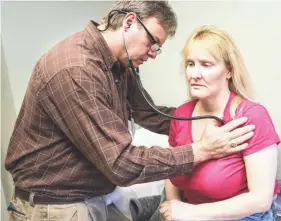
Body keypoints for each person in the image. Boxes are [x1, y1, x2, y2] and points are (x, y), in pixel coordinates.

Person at [5, 2, 255, 221]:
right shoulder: (76, 69)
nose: (153, 54)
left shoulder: (119, 64)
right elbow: (121, 163)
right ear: (129, 22)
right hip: (57, 206)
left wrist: (201, 119)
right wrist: (202, 149)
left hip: (90, 196)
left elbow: (146, 112)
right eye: (152, 43)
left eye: (157, 48)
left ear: (229, 70)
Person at [159, 25, 280, 221]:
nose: (194, 74)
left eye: (206, 64)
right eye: (190, 64)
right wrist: (172, 209)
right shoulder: (181, 115)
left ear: (229, 71)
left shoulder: (251, 116)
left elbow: (261, 199)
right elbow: (173, 168)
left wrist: (189, 212)